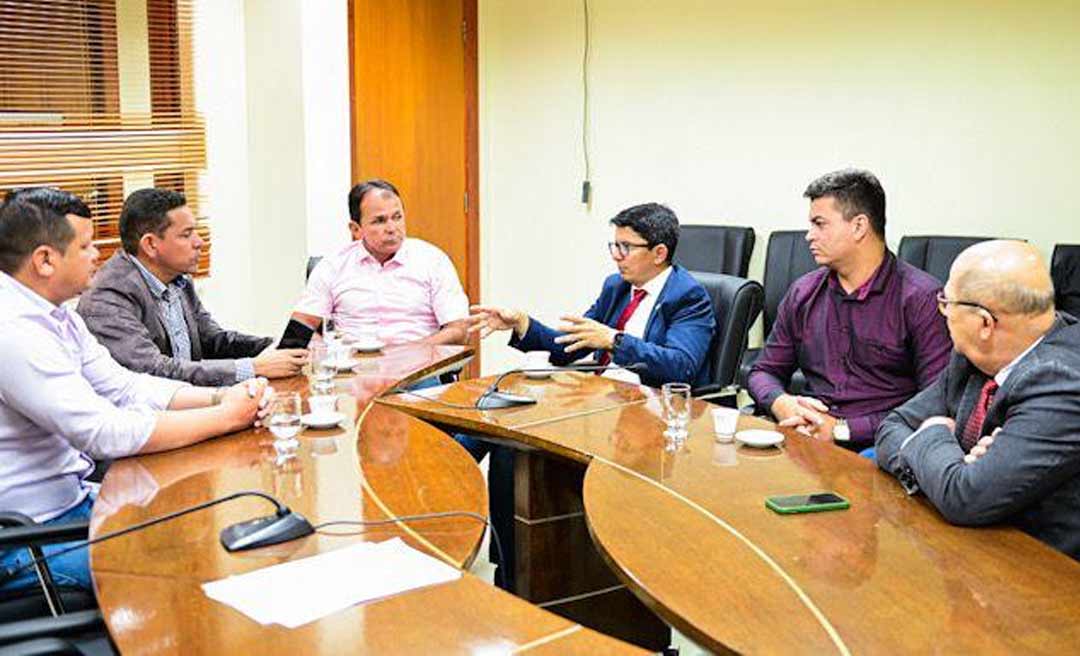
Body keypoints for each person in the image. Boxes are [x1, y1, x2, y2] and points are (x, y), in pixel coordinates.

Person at [0, 189, 269, 593]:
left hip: (75, 505)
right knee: (189, 562)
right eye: (86, 246)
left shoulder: (56, 317)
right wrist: (224, 418)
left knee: (205, 524)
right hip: (28, 538)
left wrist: (221, 398)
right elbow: (102, 432)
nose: (99, 255)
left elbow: (124, 386)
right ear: (44, 260)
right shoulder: (14, 332)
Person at [876, 240, 1080, 561]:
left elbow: (965, 498)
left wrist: (933, 434)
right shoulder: (972, 357)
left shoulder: (1062, 380)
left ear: (984, 323)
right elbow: (893, 426)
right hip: (972, 549)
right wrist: (954, 465)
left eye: (947, 302)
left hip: (1045, 576)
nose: (941, 310)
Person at [747, 169, 952, 450]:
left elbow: (936, 402)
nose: (809, 236)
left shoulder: (922, 298)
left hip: (882, 448)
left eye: (820, 224)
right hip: (807, 438)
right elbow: (763, 371)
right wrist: (783, 404)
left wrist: (843, 430)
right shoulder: (803, 292)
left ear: (859, 226)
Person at [469, 202, 716, 388]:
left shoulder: (688, 296)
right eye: (615, 245)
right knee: (497, 413)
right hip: (601, 395)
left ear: (659, 253)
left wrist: (614, 341)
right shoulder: (615, 287)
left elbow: (681, 367)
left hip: (648, 408)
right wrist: (522, 323)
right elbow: (567, 349)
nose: (616, 255)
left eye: (626, 247)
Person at [77, 188, 306, 386]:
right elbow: (154, 370)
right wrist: (253, 367)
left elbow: (213, 340)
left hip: (190, 405)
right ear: (150, 244)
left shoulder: (177, 278)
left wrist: (274, 348)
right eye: (186, 235)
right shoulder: (107, 297)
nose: (200, 241)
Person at [285, 179, 469, 348]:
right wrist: (327, 354)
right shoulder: (333, 266)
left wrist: (408, 353)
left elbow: (458, 330)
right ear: (356, 229)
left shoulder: (432, 261)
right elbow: (301, 328)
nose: (392, 228)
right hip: (352, 371)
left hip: (418, 370)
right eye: (379, 221)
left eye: (397, 217)